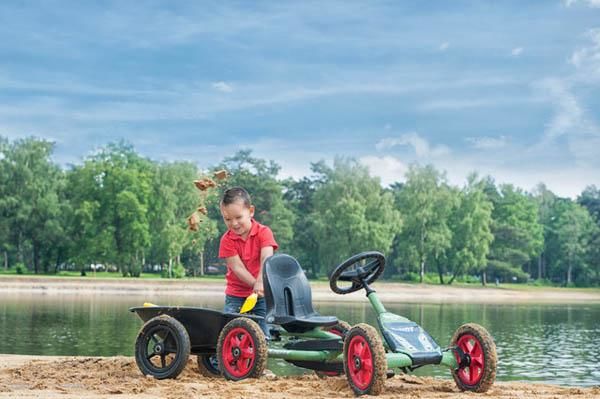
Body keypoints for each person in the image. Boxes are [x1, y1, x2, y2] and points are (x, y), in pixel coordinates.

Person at [218, 187, 278, 338]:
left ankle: (263, 349)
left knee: (263, 335)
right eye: (228, 219)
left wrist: (260, 284)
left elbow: (266, 258)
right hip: (236, 295)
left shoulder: (264, 232)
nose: (234, 223)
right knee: (231, 332)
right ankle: (221, 358)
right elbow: (237, 268)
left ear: (251, 211)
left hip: (262, 297)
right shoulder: (227, 240)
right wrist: (255, 284)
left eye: (238, 217)